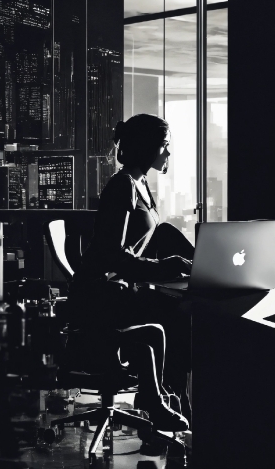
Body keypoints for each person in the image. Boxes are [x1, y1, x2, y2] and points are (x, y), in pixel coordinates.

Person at [69, 113, 194, 431]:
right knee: (179, 314)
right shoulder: (123, 186)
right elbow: (113, 257)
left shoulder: (139, 184)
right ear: (149, 146)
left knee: (179, 312)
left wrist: (172, 263)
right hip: (100, 295)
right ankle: (164, 397)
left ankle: (164, 394)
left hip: (120, 288)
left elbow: (146, 241)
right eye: (165, 145)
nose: (168, 153)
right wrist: (162, 267)